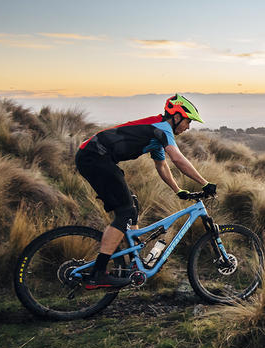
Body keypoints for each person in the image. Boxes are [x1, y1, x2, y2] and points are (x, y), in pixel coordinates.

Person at [75, 94, 217, 290]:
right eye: (188, 121)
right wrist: (205, 182)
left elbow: (162, 165)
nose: (188, 127)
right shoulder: (162, 129)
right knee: (125, 211)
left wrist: (178, 190)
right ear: (176, 117)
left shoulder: (157, 134)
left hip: (97, 158)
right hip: (95, 157)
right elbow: (177, 159)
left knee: (131, 205)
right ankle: (97, 274)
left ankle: (135, 262)